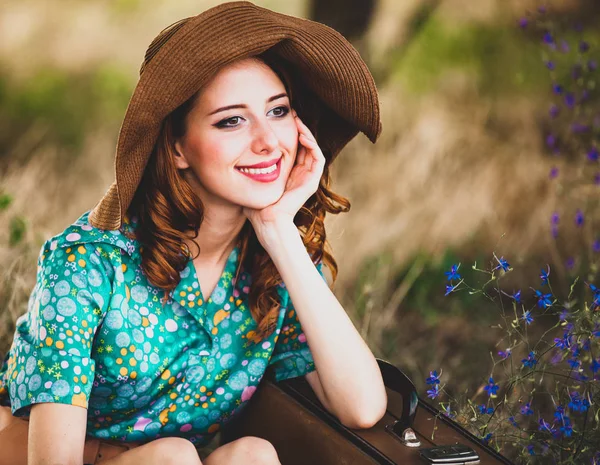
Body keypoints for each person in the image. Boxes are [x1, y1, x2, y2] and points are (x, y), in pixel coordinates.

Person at [0, 1, 386, 464]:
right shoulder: (91, 262)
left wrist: (279, 232)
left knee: (253, 456)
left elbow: (362, 408)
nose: (267, 141)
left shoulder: (278, 263)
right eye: (232, 120)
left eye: (279, 111)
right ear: (178, 147)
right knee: (174, 457)